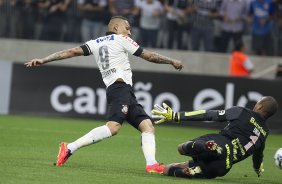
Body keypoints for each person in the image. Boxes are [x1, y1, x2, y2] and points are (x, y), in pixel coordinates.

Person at [24, 16, 183, 173]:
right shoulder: (121, 39)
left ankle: (152, 164)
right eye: (127, 28)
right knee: (113, 128)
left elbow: (71, 52)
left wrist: (44, 59)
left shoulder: (94, 43)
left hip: (121, 91)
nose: (129, 33)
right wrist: (171, 61)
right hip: (120, 89)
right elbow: (149, 56)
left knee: (147, 125)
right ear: (116, 28)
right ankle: (70, 147)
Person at [152, 96, 278, 178]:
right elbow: (258, 156)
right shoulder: (264, 133)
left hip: (221, 143)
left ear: (260, 106)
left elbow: (209, 115)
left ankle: (207, 147)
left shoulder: (243, 112)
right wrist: (258, 168)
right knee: (173, 169)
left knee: (181, 148)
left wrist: (177, 116)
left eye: (257, 102)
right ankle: (193, 170)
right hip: (224, 165)